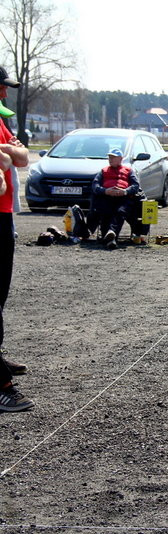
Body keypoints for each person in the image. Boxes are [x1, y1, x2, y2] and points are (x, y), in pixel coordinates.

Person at [0, 65, 33, 411]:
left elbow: (22, 158)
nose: (5, 93)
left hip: (4, 215)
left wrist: (10, 152)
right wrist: (9, 152)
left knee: (0, 294)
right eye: (1, 87)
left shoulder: (0, 119)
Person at [89, 148, 143, 250]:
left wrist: (125, 191)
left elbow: (135, 186)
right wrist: (105, 191)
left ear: (120, 159)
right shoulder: (103, 171)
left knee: (120, 211)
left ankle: (110, 236)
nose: (110, 159)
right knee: (106, 211)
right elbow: (95, 185)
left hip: (123, 197)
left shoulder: (128, 171)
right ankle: (112, 237)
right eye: (109, 157)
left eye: (113, 157)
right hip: (107, 196)